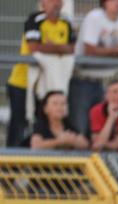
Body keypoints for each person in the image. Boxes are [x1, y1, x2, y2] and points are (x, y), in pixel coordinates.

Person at [6, 0, 75, 148]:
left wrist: (50, 46)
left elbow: (72, 49)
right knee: (19, 124)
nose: (55, 3)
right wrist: (60, 48)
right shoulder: (35, 20)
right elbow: (34, 47)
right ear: (43, 3)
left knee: (42, 125)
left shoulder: (66, 22)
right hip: (22, 82)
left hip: (47, 87)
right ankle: (10, 163)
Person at [70, 0, 118, 136]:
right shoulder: (95, 17)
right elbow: (90, 50)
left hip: (102, 81)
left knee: (99, 128)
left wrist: (105, 52)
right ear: (104, 3)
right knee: (80, 128)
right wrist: (115, 51)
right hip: (81, 79)